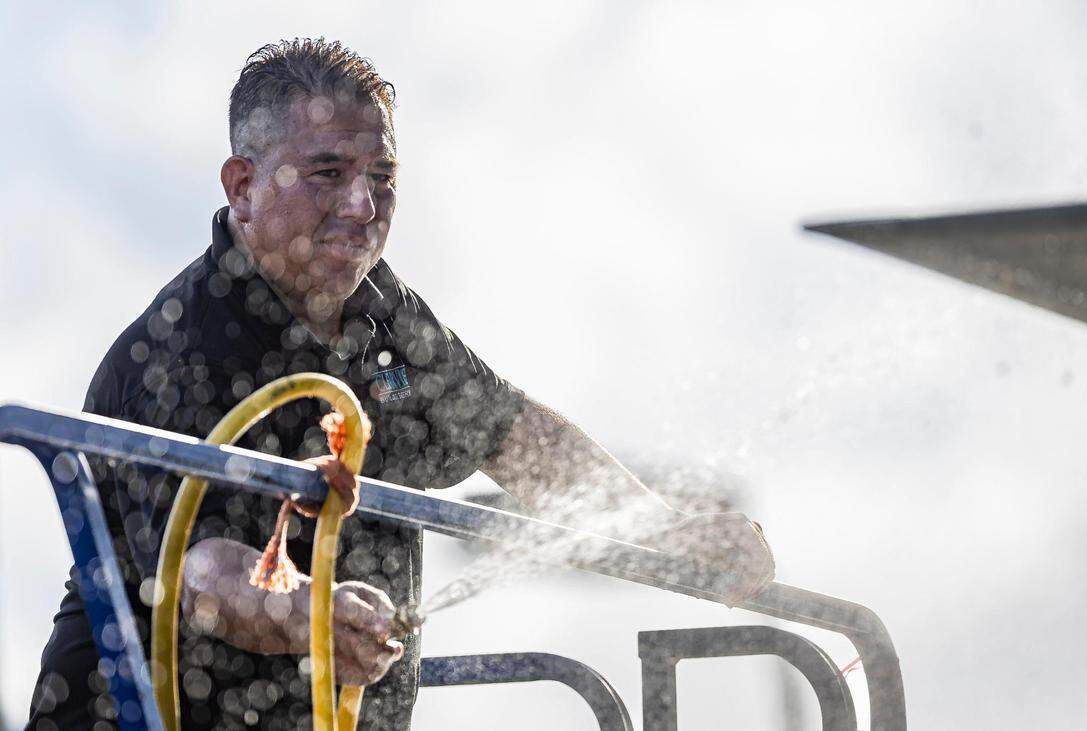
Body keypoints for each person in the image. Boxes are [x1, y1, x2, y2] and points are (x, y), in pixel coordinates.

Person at [26, 38, 774, 730]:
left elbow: (517, 437)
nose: (362, 205)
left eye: (381, 177)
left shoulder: (386, 313)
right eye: (328, 174)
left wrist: (671, 532)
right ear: (242, 184)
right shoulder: (176, 347)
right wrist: (312, 618)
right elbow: (203, 576)